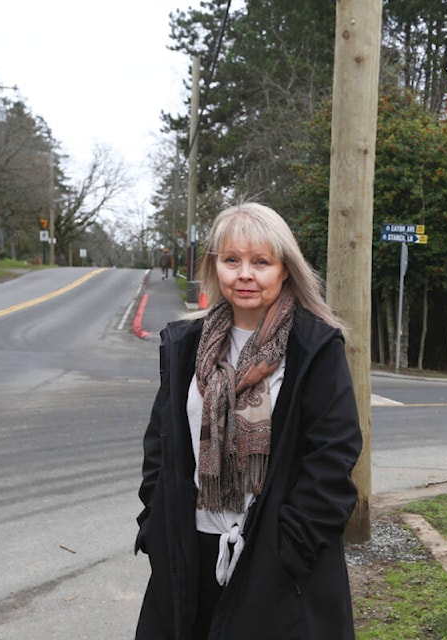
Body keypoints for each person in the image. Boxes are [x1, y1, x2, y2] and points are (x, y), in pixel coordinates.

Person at [134, 203, 363, 639]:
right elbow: (160, 446)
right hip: (190, 552)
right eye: (231, 260)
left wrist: (290, 550)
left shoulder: (314, 347)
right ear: (213, 266)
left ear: (284, 270)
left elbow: (333, 456)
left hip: (274, 561)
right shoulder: (186, 346)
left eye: (261, 262)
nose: (245, 274)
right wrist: (156, 526)